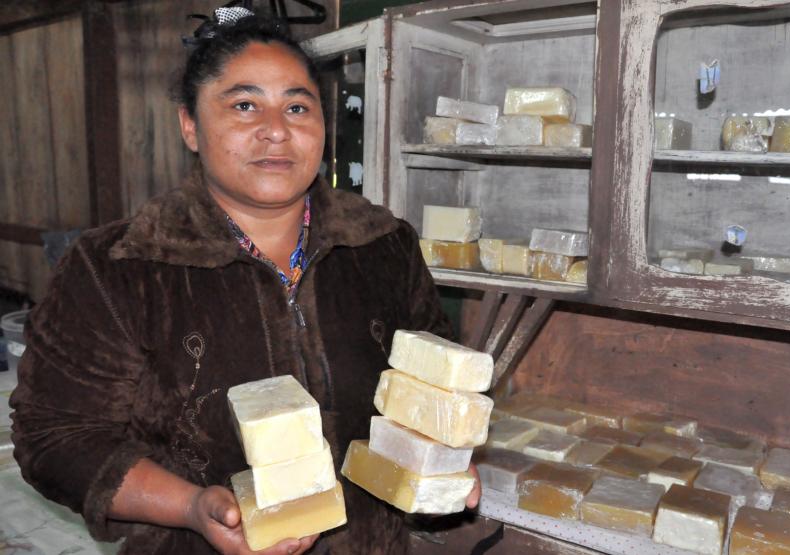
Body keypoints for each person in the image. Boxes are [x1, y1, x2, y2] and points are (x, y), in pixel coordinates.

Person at [11, 10, 479, 555]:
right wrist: (191, 506)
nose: (276, 130)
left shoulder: (382, 244)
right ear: (190, 125)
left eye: (297, 106)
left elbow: (432, 389)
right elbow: (54, 437)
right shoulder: (120, 265)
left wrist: (442, 457)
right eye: (244, 104)